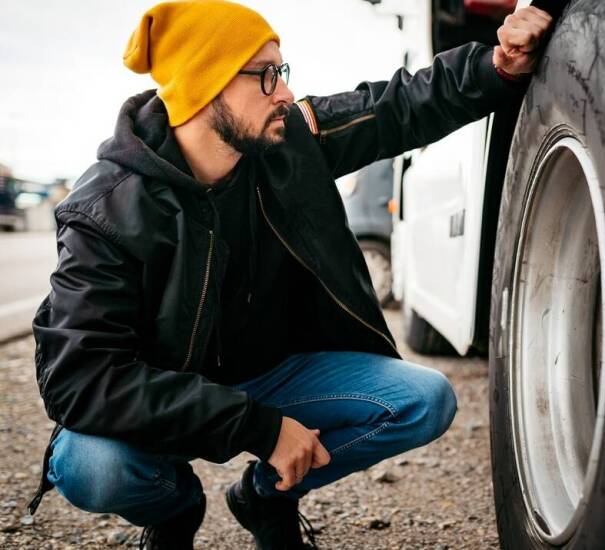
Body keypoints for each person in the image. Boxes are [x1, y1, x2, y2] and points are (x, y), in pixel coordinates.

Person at [27, 1, 554, 548]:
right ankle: (174, 507)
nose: (283, 92)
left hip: (275, 376)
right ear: (205, 86)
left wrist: (496, 67)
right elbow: (81, 376)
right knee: (91, 465)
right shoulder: (106, 208)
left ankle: (263, 497)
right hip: (167, 396)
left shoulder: (286, 139)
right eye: (266, 75)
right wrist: (260, 428)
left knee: (424, 400)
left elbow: (397, 107)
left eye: (283, 71)